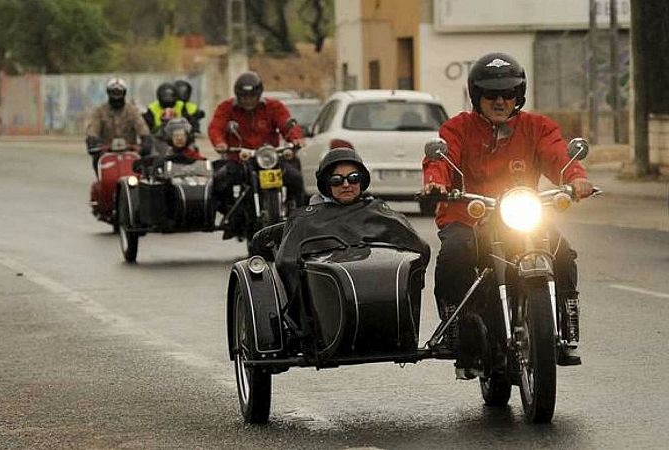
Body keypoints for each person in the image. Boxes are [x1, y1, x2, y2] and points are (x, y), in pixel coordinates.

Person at [422, 52, 593, 376]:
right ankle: (456, 328)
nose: (500, 100)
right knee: (455, 253)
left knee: (563, 253)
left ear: (519, 95)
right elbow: (441, 160)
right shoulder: (457, 127)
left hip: (521, 215)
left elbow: (558, 155)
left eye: (508, 93)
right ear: (477, 96)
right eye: (491, 94)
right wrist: (436, 182)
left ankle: (567, 327)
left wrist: (576, 178)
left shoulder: (537, 127)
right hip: (469, 215)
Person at [252, 148, 429, 327]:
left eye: (353, 178)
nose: (346, 185)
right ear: (326, 184)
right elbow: (286, 262)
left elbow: (419, 247)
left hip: (385, 298)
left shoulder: (380, 211)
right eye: (337, 180)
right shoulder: (306, 218)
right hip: (324, 303)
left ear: (362, 180)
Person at [207, 71, 306, 229]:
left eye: (252, 96)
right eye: (244, 96)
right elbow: (216, 127)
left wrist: (295, 138)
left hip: (268, 159)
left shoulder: (274, 107)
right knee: (219, 181)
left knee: (295, 178)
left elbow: (287, 124)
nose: (248, 100)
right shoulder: (226, 108)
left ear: (259, 94)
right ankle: (231, 214)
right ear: (237, 95)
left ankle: (296, 213)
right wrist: (220, 142)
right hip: (240, 159)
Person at [86, 77, 151, 173]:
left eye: (119, 93)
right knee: (97, 162)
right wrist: (93, 142)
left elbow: (142, 127)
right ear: (108, 93)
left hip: (130, 153)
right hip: (106, 154)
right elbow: (92, 130)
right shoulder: (99, 111)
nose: (116, 96)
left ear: (124, 93)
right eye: (113, 93)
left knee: (144, 171)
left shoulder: (132, 111)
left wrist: (146, 141)